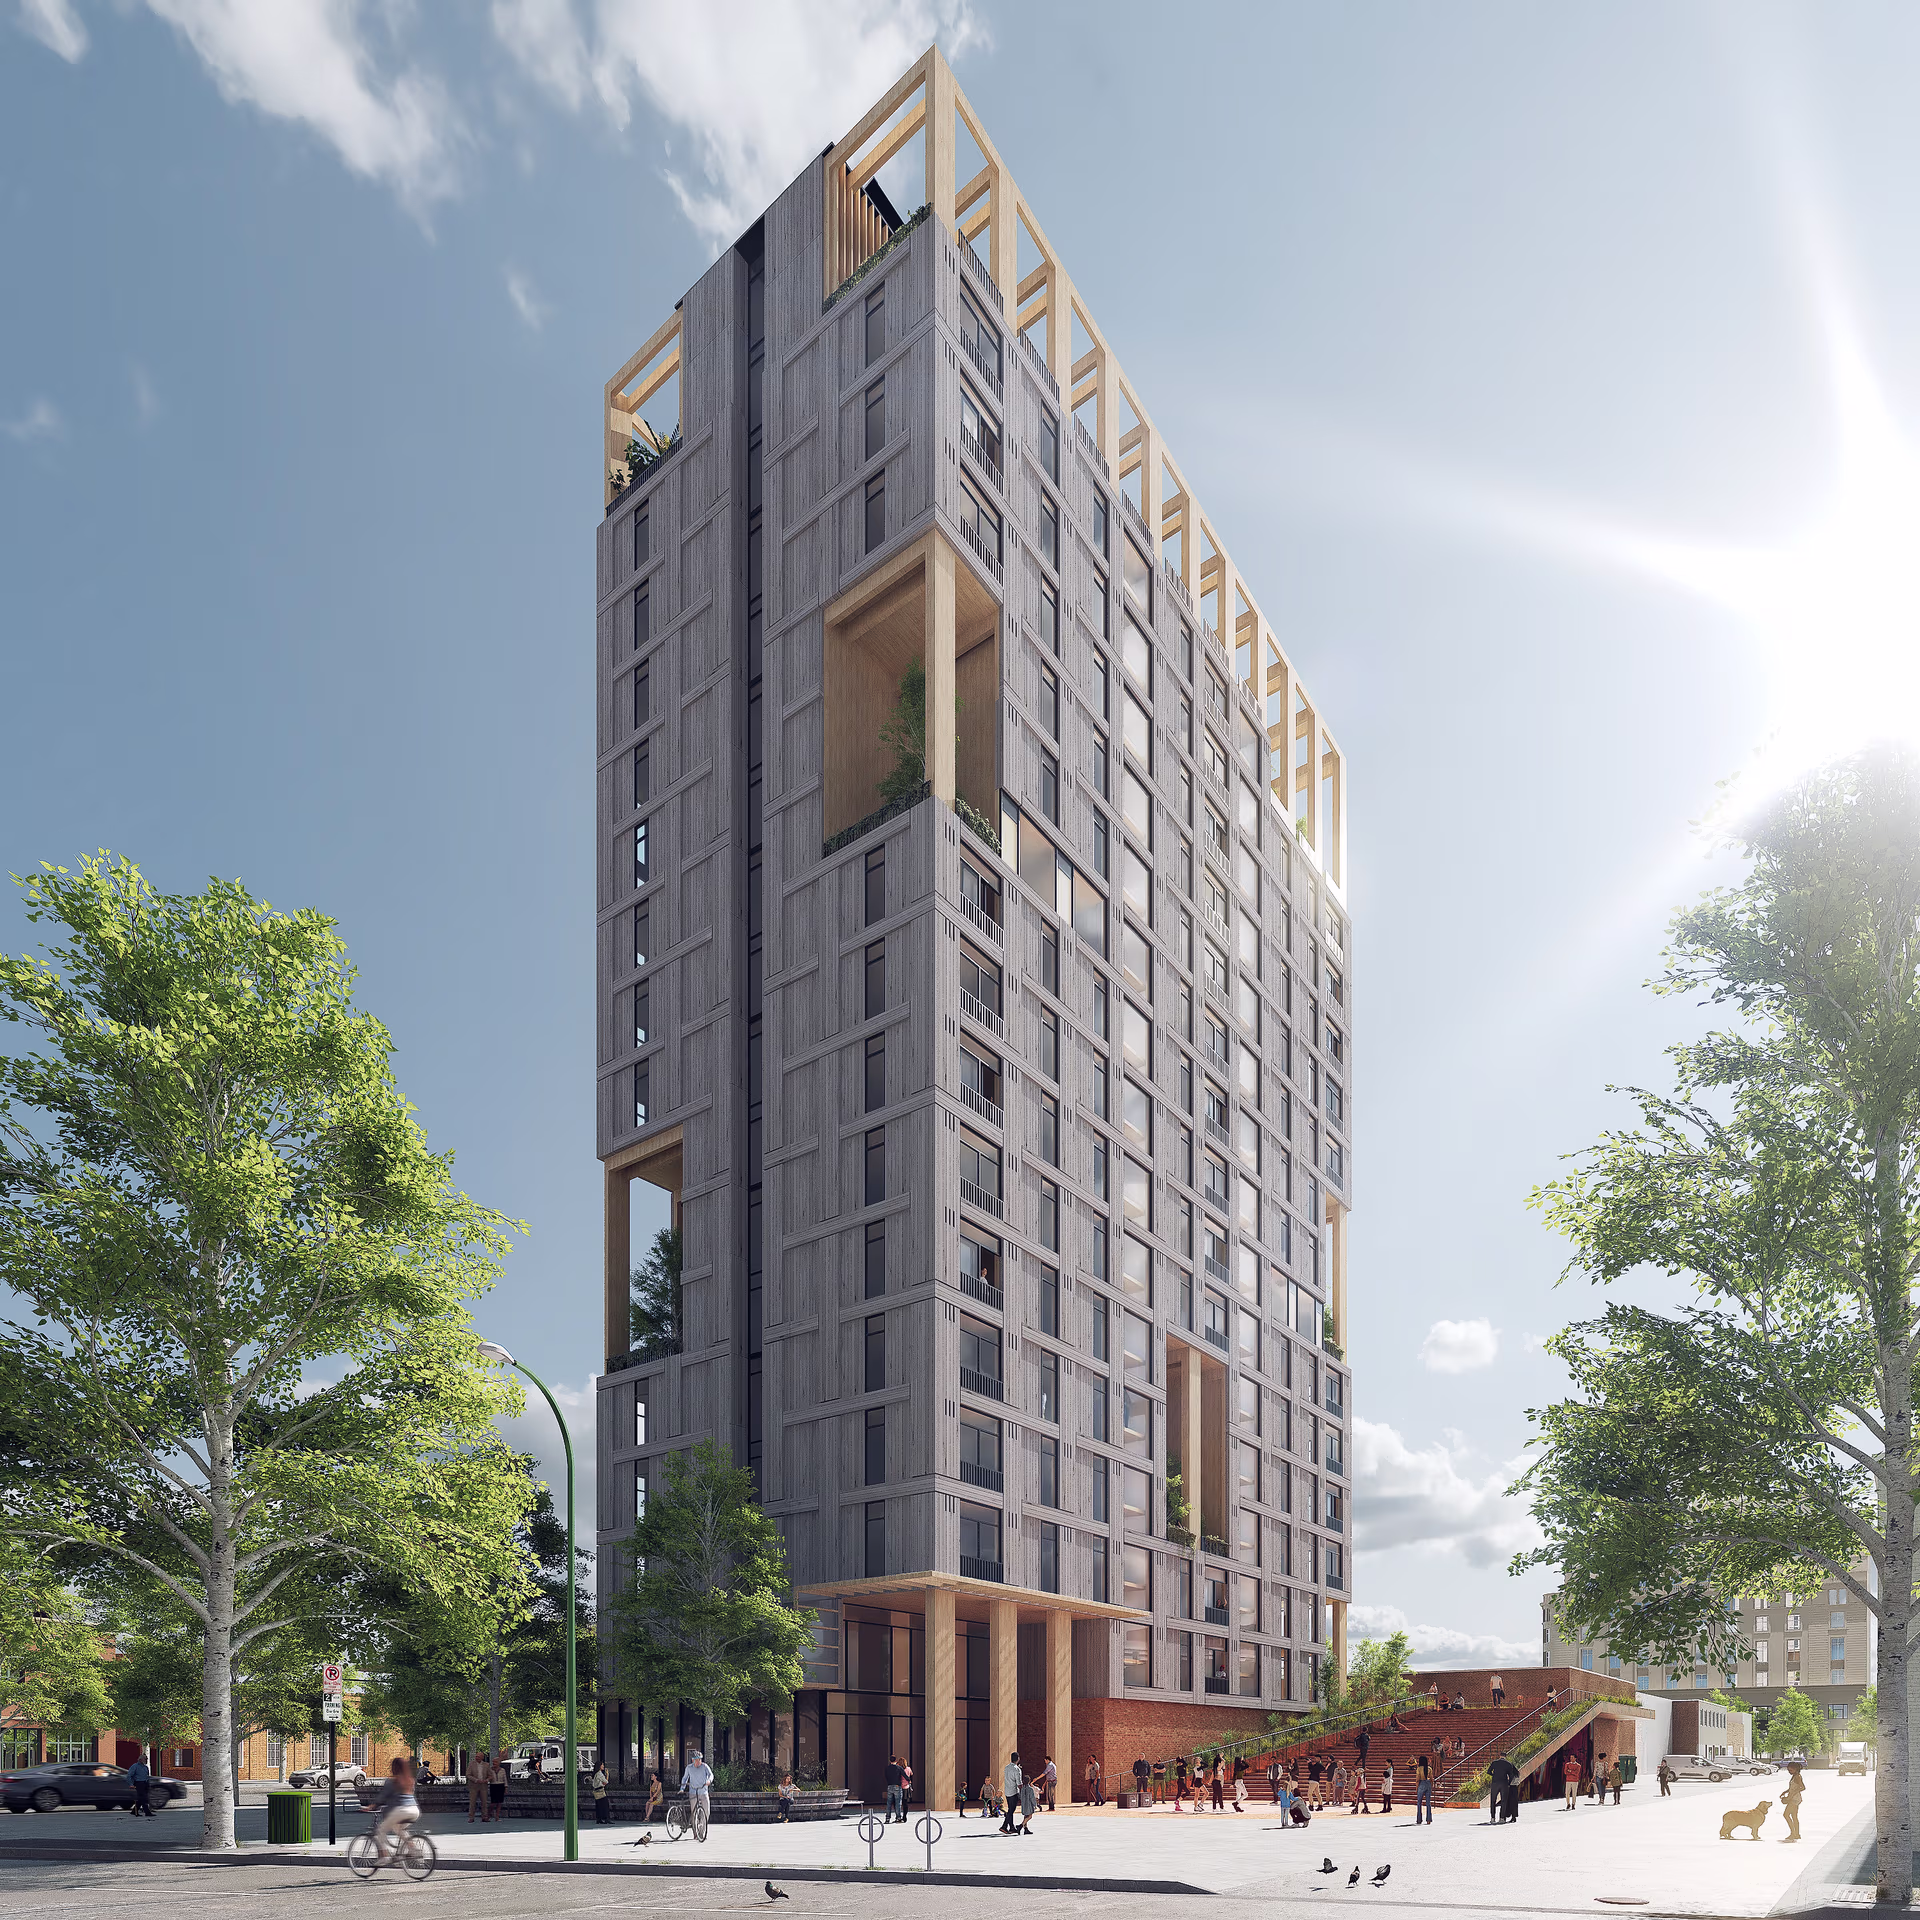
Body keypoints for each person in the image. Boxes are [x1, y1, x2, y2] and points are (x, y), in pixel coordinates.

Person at [369, 1757, 420, 1866]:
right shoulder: (410, 1780)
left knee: (380, 1831)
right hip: (414, 1810)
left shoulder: (392, 1780)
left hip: (402, 1810)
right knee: (399, 1829)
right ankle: (413, 1849)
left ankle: (384, 1856)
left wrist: (371, 1807)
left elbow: (383, 1796)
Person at [680, 1748, 714, 1829]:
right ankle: (695, 1833)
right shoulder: (689, 1768)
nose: (699, 1761)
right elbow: (685, 1778)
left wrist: (709, 1781)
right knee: (694, 1812)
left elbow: (711, 1775)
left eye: (700, 1759)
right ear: (693, 1760)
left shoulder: (705, 1766)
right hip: (693, 1792)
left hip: (703, 1792)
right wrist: (682, 1788)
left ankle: (702, 1828)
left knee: (706, 1811)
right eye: (697, 1760)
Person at [1488, 1754, 1518, 1825]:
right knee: (1503, 1801)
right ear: (1505, 1756)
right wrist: (1508, 1783)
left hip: (1495, 1783)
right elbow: (1511, 1776)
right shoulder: (1508, 1764)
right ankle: (1501, 1818)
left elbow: (1489, 1772)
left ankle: (1492, 1818)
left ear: (1500, 1756)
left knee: (1493, 1801)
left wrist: (1494, 1776)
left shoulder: (1494, 1763)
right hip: (1504, 1784)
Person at [1000, 1751, 1023, 1834]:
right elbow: (1019, 1783)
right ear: (1018, 1759)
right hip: (1014, 1791)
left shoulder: (1006, 1767)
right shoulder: (1017, 1769)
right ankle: (1004, 1826)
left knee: (1010, 1809)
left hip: (1007, 1791)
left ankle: (1012, 1827)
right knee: (1011, 1810)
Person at [1781, 1763, 1804, 1843]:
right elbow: (1793, 1787)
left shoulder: (1798, 1777)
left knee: (1786, 1815)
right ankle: (1796, 1834)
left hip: (1794, 1799)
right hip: (1794, 1797)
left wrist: (1793, 1793)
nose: (1789, 1771)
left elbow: (1802, 1787)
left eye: (1791, 1770)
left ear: (1796, 1769)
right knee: (1794, 1816)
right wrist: (1786, 1791)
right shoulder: (1794, 1776)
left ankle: (1793, 1833)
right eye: (1788, 1770)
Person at [467, 1749, 490, 1824]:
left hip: (483, 1786)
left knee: (484, 1802)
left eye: (478, 1757)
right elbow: (468, 1775)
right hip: (474, 1786)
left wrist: (487, 1780)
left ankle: (484, 1817)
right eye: (476, 1756)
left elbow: (490, 1775)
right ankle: (471, 1817)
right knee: (472, 1802)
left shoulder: (486, 1765)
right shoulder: (471, 1764)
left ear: (482, 1757)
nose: (477, 1758)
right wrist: (475, 1780)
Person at [1414, 1752, 1434, 1826]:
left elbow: (1417, 1779)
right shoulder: (1429, 1768)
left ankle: (1419, 1819)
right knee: (1428, 1803)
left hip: (1421, 1783)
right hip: (1428, 1783)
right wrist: (1431, 1786)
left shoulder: (1419, 1769)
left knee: (1419, 1802)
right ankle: (1428, 1819)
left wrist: (1416, 1788)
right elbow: (1432, 1779)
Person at [489, 1751, 508, 1822]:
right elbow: (488, 1777)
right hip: (493, 1786)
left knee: (499, 1802)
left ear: (499, 1763)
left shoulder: (502, 1770)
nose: (494, 1763)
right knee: (493, 1802)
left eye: (495, 1762)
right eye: (493, 1762)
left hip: (501, 1785)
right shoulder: (490, 1770)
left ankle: (497, 1816)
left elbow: (505, 1779)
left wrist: (506, 1788)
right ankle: (489, 1814)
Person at [885, 1754, 905, 1823]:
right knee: (898, 1803)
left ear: (890, 1760)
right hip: (897, 1786)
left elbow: (886, 1776)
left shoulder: (887, 1768)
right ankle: (898, 1817)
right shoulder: (899, 1768)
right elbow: (905, 1775)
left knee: (889, 1803)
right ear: (896, 1761)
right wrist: (908, 1781)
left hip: (889, 1786)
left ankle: (887, 1818)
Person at [591, 1759, 611, 1825]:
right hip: (601, 1791)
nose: (603, 1766)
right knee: (605, 1805)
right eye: (602, 1765)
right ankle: (606, 1818)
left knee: (598, 1805)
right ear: (599, 1766)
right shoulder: (599, 1774)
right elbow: (606, 1782)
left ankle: (599, 1819)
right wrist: (607, 1775)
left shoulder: (595, 1773)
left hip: (596, 1791)